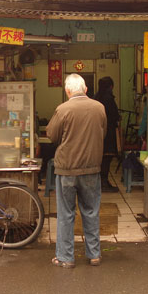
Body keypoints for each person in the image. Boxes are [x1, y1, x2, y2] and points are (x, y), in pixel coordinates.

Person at [46, 73, 106, 268]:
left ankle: (65, 257)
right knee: (91, 211)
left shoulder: (63, 109)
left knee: (66, 214)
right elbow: (102, 132)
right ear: (86, 89)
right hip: (91, 168)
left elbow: (51, 135)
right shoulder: (99, 108)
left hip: (67, 170)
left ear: (67, 90)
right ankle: (94, 255)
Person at [94, 76, 121, 192]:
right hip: (108, 133)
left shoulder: (95, 98)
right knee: (107, 157)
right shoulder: (109, 99)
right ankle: (103, 182)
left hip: (96, 133)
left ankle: (99, 182)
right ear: (110, 86)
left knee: (99, 158)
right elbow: (114, 115)